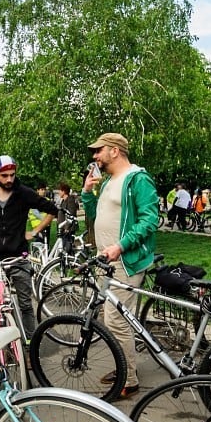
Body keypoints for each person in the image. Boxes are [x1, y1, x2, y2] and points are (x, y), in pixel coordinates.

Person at [82, 132, 158, 398]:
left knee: (116, 319)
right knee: (113, 319)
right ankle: (123, 365)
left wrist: (121, 246)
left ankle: (129, 379)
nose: (95, 156)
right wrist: (88, 193)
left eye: (98, 150)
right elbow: (96, 215)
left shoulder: (137, 179)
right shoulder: (108, 182)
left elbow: (150, 221)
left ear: (114, 151)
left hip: (127, 261)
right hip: (109, 262)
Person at [0, 155, 57, 337]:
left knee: (25, 304)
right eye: (4, 175)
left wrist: (33, 232)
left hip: (19, 257)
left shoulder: (23, 193)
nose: (9, 179)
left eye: (12, 174)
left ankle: (30, 343)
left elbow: (52, 210)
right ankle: (2, 342)